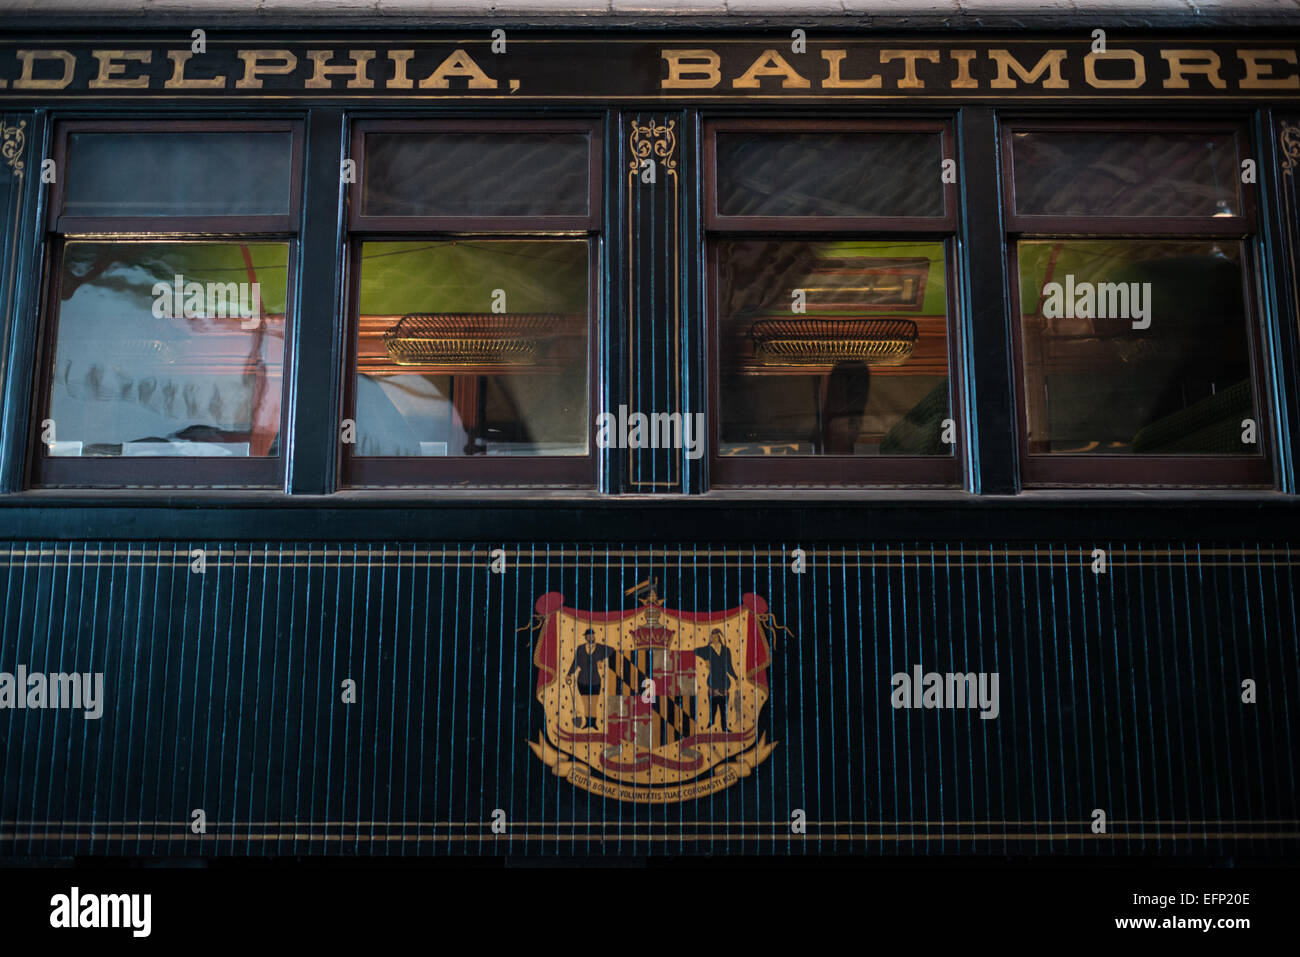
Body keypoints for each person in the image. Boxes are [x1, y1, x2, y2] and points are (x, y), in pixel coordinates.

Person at [566, 628, 617, 730]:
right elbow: (575, 663)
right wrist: (569, 674)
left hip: (595, 681)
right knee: (586, 704)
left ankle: (593, 723)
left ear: (594, 636)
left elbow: (612, 650)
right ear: (585, 637)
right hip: (582, 680)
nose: (590, 637)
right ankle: (588, 723)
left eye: (592, 635)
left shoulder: (600, 648)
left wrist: (601, 659)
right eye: (588, 636)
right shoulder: (580, 649)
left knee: (593, 704)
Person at [694, 628, 739, 732]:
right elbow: (695, 650)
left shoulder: (726, 650)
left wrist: (735, 678)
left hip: (724, 681)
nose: (714, 638)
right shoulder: (707, 649)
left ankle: (724, 727)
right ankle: (711, 723)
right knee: (713, 706)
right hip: (713, 681)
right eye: (712, 637)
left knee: (723, 707)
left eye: (716, 637)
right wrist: (705, 659)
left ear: (720, 637)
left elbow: (729, 666)